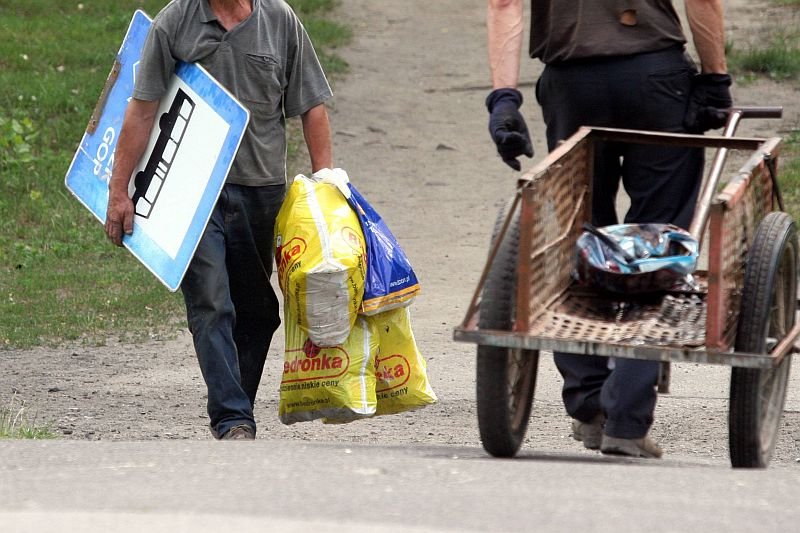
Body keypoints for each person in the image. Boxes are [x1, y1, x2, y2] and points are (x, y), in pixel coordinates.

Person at [485, 0, 732, 457]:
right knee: (659, 238)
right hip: (654, 79)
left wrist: (504, 98)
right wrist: (715, 78)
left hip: (572, 84)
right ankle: (627, 420)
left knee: (577, 235)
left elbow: (505, 4)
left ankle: (589, 402)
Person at [105, 0, 333, 440]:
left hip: (261, 188)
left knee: (258, 310)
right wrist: (119, 191)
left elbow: (312, 106)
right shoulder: (175, 22)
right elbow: (142, 108)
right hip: (191, 195)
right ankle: (232, 419)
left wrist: (326, 184)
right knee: (212, 301)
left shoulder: (280, 21)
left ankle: (236, 406)